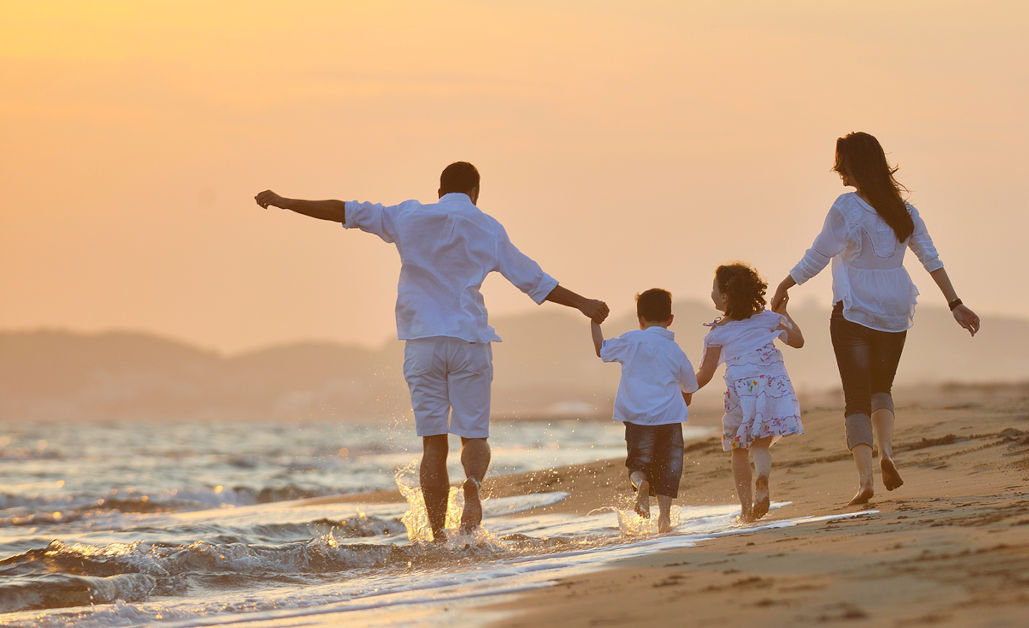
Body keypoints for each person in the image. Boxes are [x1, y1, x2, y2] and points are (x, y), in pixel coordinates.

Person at [253, 162, 609, 542]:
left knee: (433, 443)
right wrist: (582, 303)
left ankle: (438, 535)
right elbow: (534, 280)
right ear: (475, 193)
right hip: (469, 342)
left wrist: (287, 202)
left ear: (438, 192)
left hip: (422, 345)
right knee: (473, 436)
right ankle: (471, 484)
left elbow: (345, 210)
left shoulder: (409, 216)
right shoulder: (488, 227)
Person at [770, 131, 980, 507]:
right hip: (894, 311)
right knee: (881, 389)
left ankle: (866, 480)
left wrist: (786, 284)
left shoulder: (846, 209)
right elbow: (931, 259)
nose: (840, 174)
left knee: (855, 397)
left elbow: (818, 255)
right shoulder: (905, 211)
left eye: (843, 166)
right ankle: (887, 453)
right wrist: (955, 303)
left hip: (853, 310)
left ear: (855, 167)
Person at [695, 263, 805, 522]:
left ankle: (746, 510)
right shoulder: (768, 319)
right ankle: (763, 480)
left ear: (724, 297)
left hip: (742, 391)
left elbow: (705, 374)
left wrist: (683, 391)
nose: (710, 293)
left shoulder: (718, 333)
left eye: (713, 288)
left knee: (738, 448)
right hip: (772, 386)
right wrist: (783, 313)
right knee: (761, 443)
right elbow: (798, 341)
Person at [590, 288, 699, 533]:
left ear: (640, 320)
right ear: (670, 319)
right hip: (670, 419)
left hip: (638, 419)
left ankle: (641, 484)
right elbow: (690, 384)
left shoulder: (631, 340)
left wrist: (594, 323)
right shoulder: (675, 350)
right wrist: (686, 398)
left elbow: (601, 350)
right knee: (668, 469)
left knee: (637, 466)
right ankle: (664, 520)